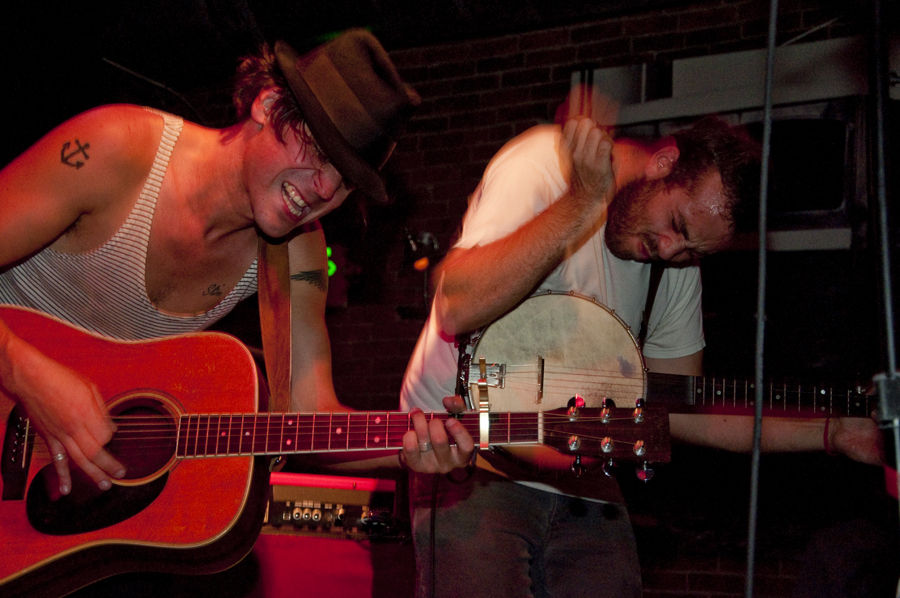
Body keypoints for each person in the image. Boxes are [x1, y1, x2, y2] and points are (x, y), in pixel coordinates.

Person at [398, 113, 884, 597]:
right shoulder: (547, 167)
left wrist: (830, 432)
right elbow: (458, 306)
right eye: (676, 224)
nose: (671, 251)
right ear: (664, 162)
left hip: (583, 479)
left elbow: (673, 411)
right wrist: (581, 204)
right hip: (463, 458)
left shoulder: (673, 268)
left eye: (694, 252)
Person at [0, 28, 456, 499]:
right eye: (319, 152)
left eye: (344, 182)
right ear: (266, 104)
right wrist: (28, 378)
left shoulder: (297, 253)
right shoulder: (116, 150)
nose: (324, 191)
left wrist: (409, 445)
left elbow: (307, 417)